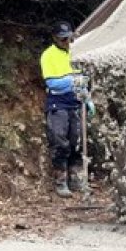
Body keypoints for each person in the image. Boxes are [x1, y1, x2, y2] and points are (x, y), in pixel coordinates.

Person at [41, 20, 92, 198]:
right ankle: (61, 180)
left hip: (75, 101)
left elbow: (84, 80)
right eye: (62, 39)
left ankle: (76, 178)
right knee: (59, 140)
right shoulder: (48, 55)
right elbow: (52, 83)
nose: (66, 42)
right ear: (54, 38)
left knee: (76, 141)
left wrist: (87, 98)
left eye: (68, 38)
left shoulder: (76, 53)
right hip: (58, 102)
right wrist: (72, 81)